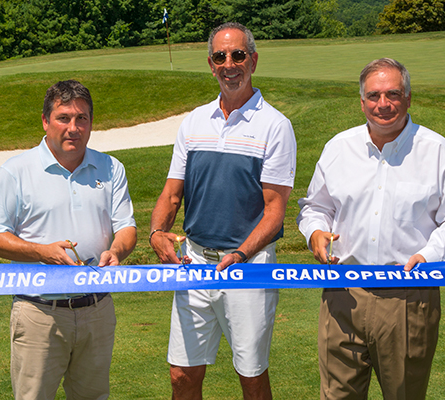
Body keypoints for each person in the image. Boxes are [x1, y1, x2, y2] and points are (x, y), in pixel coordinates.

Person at [297, 58, 445, 400]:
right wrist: (315, 232)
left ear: (408, 97)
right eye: (374, 95)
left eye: (393, 94)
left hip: (408, 297)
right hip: (342, 294)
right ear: (362, 101)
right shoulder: (339, 148)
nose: (383, 104)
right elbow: (315, 207)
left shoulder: (436, 150)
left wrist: (429, 254)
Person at [149, 22, 296, 400]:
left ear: (253, 60)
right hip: (194, 263)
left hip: (248, 268)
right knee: (181, 375)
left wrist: (241, 254)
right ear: (211, 64)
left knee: (251, 376)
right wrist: (156, 232)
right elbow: (171, 192)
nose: (229, 64)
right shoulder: (195, 121)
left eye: (238, 55)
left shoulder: (275, 126)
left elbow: (275, 211)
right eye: (220, 56)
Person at [0, 80, 137, 400]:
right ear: (45, 121)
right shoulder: (16, 171)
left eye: (82, 118)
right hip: (39, 312)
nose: (73, 127)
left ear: (92, 123)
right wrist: (42, 252)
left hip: (97, 309)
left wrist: (116, 250)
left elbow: (126, 227)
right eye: (63, 117)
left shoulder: (111, 168)